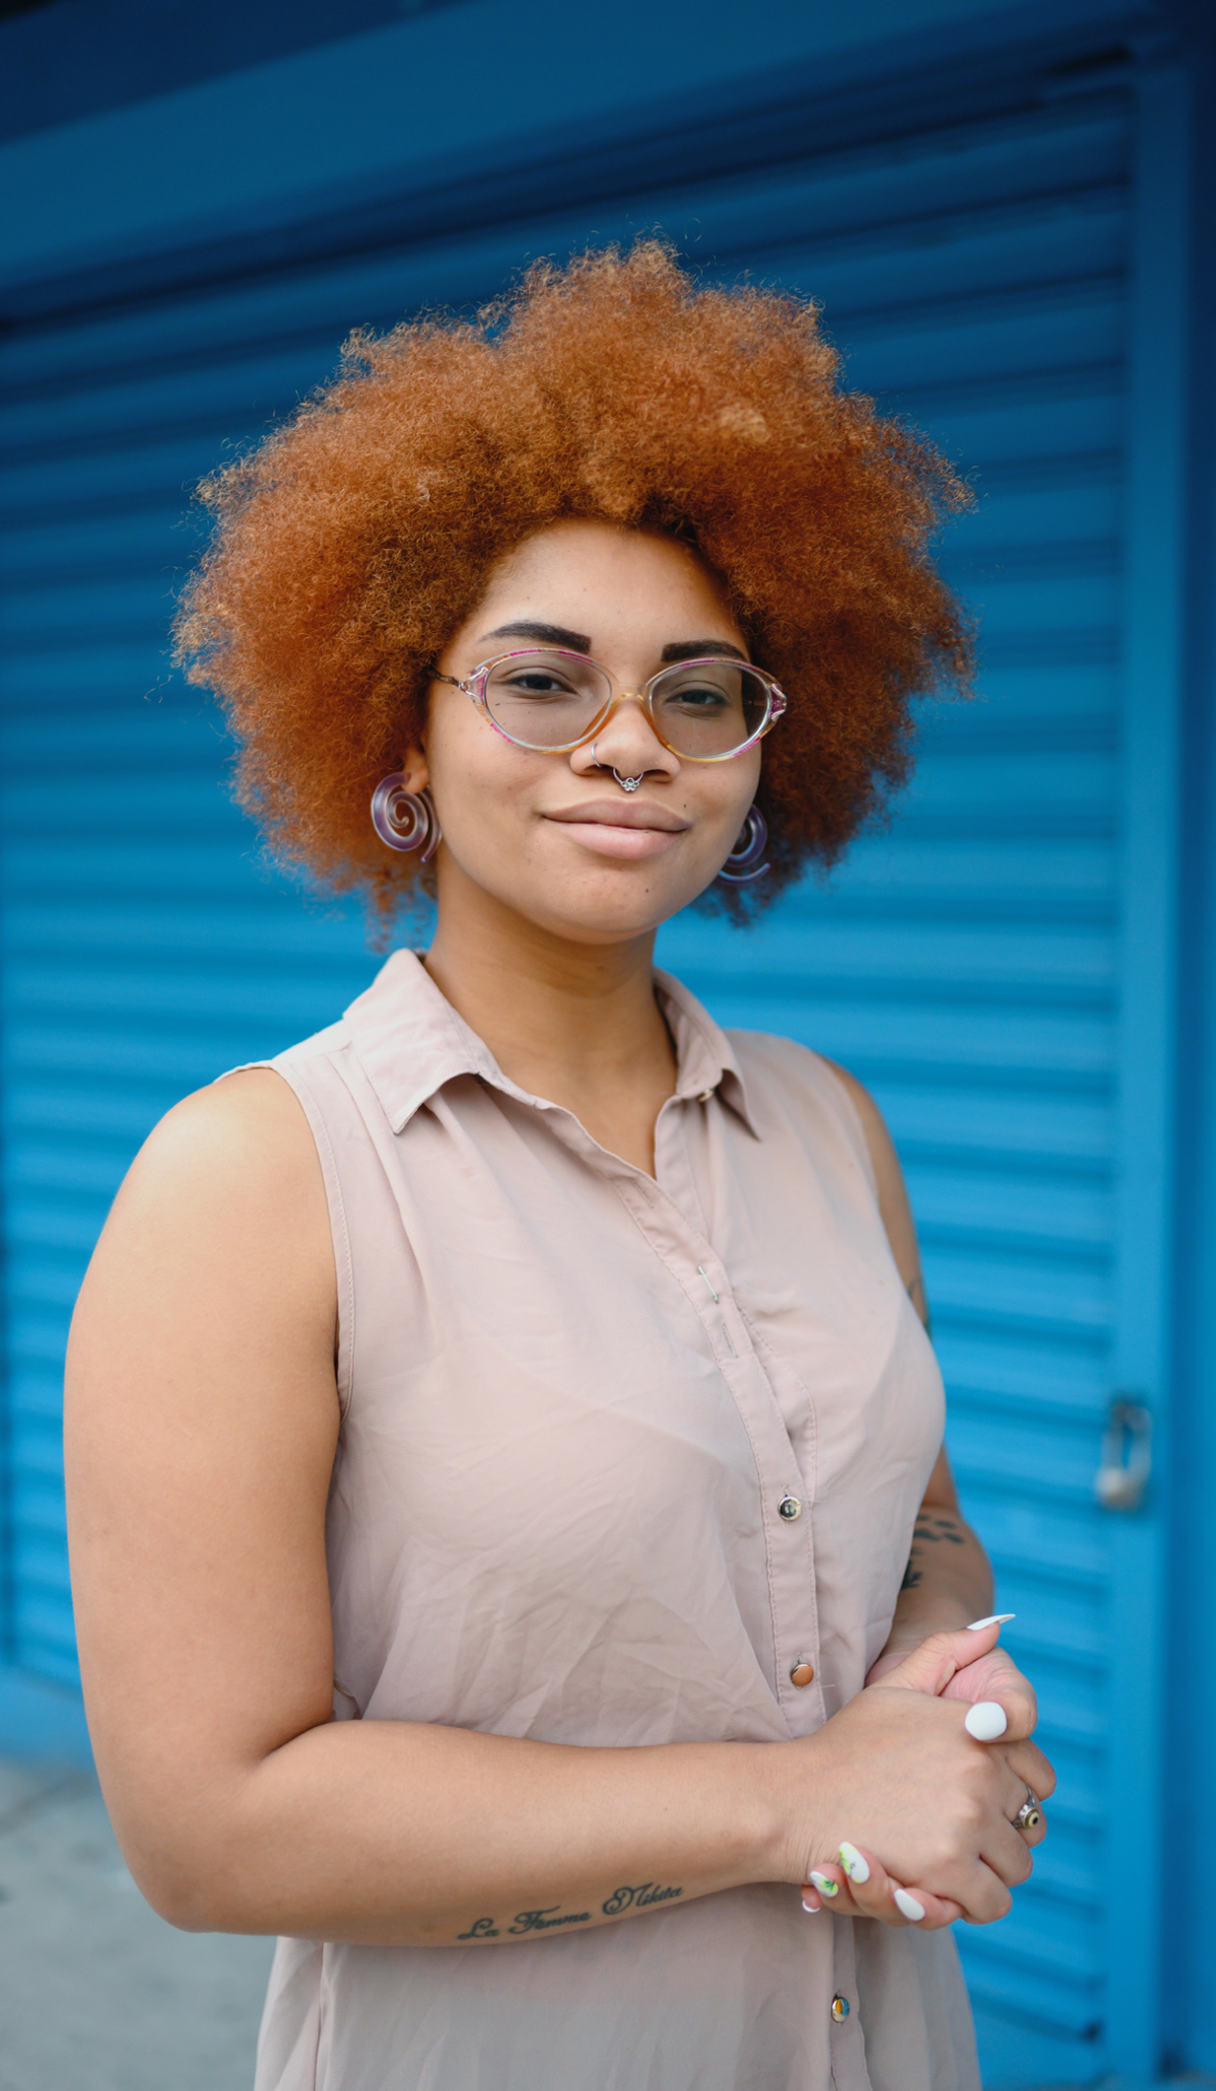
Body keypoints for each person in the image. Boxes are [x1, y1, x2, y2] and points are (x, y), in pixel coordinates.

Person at [65, 243, 1054, 2091]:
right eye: (540, 680)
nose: (626, 744)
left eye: (701, 693)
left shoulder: (830, 1125)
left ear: (773, 749)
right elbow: (208, 1833)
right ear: (404, 734)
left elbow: (913, 1514)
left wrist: (942, 1683)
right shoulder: (256, 1177)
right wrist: (793, 1802)